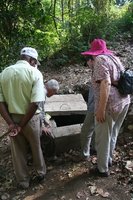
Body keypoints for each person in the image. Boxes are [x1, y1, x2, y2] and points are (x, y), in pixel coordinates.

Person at [81, 39, 130, 177]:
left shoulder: (100, 60)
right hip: (124, 101)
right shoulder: (113, 58)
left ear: (92, 54)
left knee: (103, 138)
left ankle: (102, 169)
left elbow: (106, 83)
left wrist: (101, 109)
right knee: (113, 133)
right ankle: (108, 160)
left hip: (110, 105)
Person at [0, 47, 46, 189]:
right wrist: (22, 124)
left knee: (17, 150)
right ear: (32, 60)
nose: (35, 64)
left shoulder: (3, 73)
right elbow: (35, 102)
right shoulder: (35, 73)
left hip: (12, 117)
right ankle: (40, 173)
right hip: (31, 118)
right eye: (35, 62)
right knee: (36, 146)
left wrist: (11, 123)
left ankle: (23, 181)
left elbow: (0, 102)